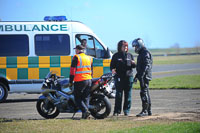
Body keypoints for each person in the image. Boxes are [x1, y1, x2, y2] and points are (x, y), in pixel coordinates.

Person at [110, 40, 136, 116]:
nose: (125, 47)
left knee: (128, 95)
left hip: (128, 77)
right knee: (119, 95)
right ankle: (117, 111)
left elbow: (134, 66)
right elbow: (112, 66)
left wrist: (133, 63)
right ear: (120, 47)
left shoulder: (130, 55)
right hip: (119, 78)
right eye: (124, 46)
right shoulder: (116, 56)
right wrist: (113, 70)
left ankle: (126, 111)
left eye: (126, 46)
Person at [69, 44, 93, 119]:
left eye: (76, 49)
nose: (75, 51)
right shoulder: (89, 58)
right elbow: (91, 70)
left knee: (77, 98)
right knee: (85, 98)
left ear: (78, 50)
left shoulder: (76, 57)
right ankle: (85, 115)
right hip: (89, 80)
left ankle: (85, 111)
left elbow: (72, 71)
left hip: (80, 80)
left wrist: (70, 81)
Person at [131, 38, 153, 117]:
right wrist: (137, 76)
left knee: (143, 92)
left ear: (140, 45)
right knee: (145, 91)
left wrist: (142, 75)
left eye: (136, 46)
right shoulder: (142, 53)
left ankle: (145, 111)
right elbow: (140, 68)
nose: (135, 48)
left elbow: (146, 65)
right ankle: (149, 110)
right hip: (142, 76)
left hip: (145, 76)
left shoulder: (145, 53)